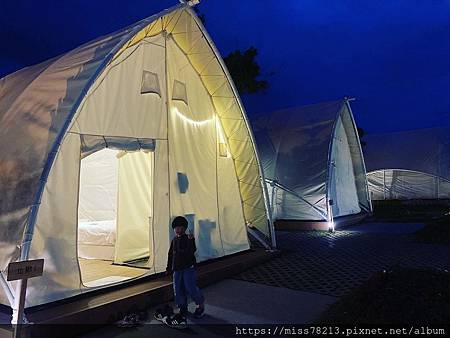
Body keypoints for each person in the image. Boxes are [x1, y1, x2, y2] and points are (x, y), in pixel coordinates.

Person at [166, 216, 205, 322]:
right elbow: (170, 255)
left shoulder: (188, 238)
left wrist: (192, 240)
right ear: (173, 229)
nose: (179, 230)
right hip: (177, 270)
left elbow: (192, 250)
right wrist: (169, 267)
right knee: (178, 289)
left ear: (185, 228)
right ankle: (182, 307)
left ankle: (200, 305)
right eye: (176, 227)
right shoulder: (174, 240)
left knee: (190, 287)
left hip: (188, 268)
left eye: (181, 227)